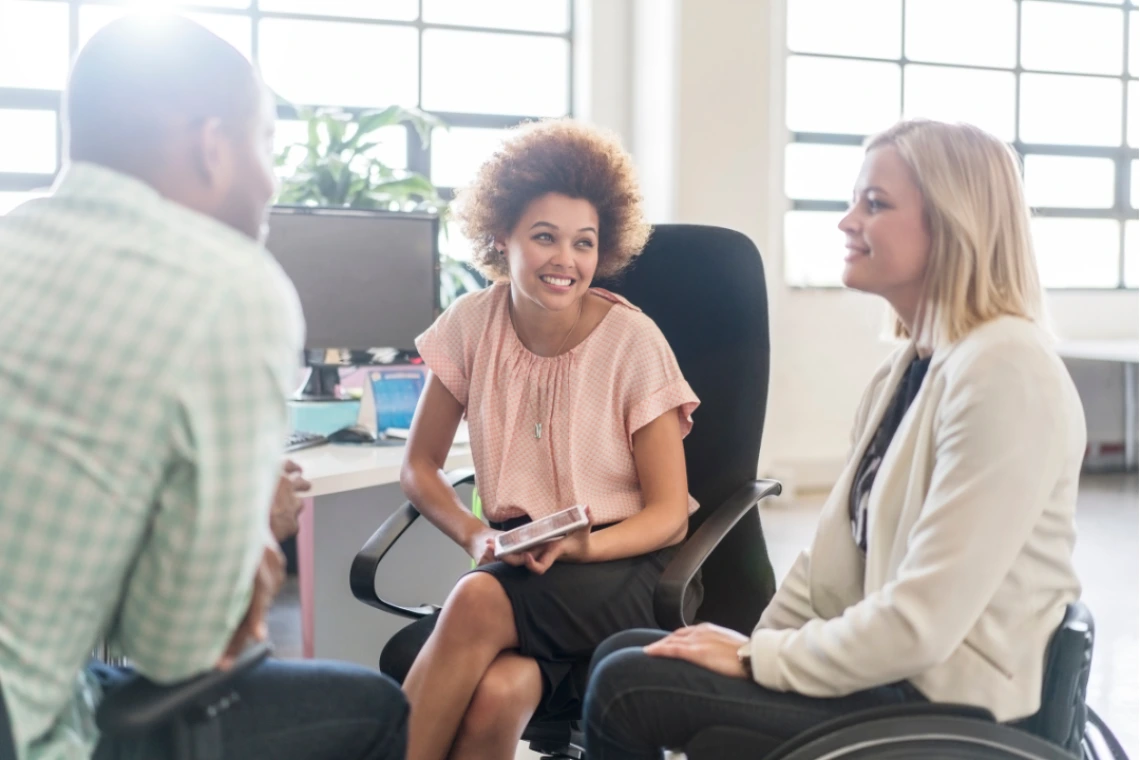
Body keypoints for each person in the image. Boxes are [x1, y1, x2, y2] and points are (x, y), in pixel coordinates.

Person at [582, 119, 1087, 759]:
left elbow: (920, 626)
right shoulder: (909, 366)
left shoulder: (1006, 372)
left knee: (630, 686)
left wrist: (753, 657)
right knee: (628, 651)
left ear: (954, 223)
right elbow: (826, 571)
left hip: (946, 701)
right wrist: (745, 651)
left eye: (875, 204)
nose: (847, 221)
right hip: (891, 676)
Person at [0, 14, 406, 760]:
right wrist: (253, 523)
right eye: (267, 148)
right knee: (375, 710)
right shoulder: (225, 284)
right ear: (213, 146)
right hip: (26, 727)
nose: (271, 182)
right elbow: (177, 648)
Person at [386, 119, 701, 760]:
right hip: (522, 559)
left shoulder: (632, 342)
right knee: (499, 692)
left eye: (583, 243)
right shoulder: (471, 324)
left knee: (475, 597)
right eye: (545, 237)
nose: (566, 259)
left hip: (624, 566)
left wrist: (582, 549)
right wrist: (477, 535)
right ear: (502, 238)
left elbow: (670, 518)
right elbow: (418, 466)